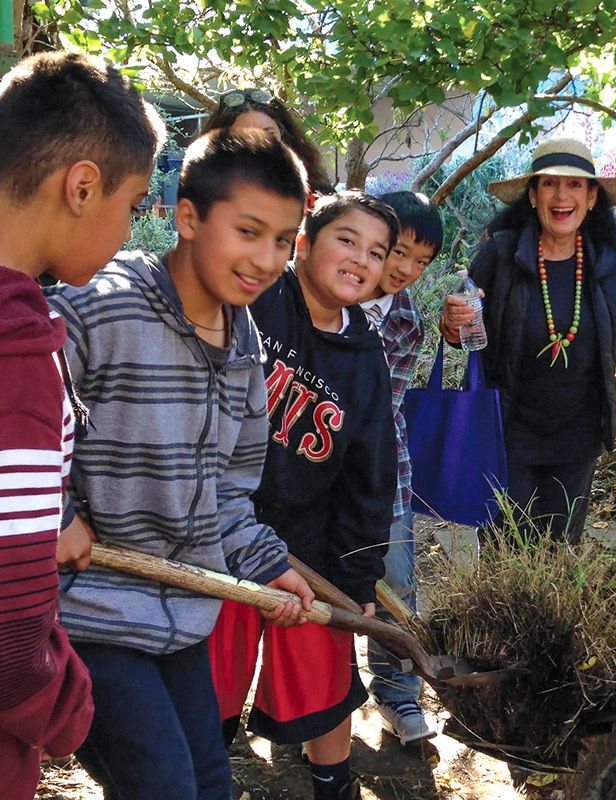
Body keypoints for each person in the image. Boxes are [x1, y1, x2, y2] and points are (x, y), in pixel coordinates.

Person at [46, 127, 315, 800]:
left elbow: (226, 489)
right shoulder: (96, 307)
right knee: (162, 788)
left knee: (209, 783)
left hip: (181, 616)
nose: (266, 258)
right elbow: (16, 416)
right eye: (248, 231)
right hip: (92, 613)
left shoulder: (245, 343)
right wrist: (57, 512)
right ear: (187, 217)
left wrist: (267, 565)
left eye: (283, 240)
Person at [0, 51, 162, 800]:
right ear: (82, 186)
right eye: (133, 205)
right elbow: (10, 629)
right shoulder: (16, 352)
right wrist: (66, 710)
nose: (133, 228)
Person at [441, 137, 616, 543]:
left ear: (592, 197)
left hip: (577, 433)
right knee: (507, 548)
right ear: (532, 195)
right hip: (507, 429)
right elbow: (465, 333)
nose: (562, 196)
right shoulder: (501, 254)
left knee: (559, 548)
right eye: (550, 184)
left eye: (575, 185)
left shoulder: (602, 262)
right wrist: (452, 323)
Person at [209, 191, 399, 800]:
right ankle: (194, 771)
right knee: (207, 675)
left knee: (324, 680)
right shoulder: (259, 302)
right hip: (219, 536)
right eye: (347, 240)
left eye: (376, 252)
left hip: (309, 550)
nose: (360, 259)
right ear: (303, 243)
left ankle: (332, 784)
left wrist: (361, 576)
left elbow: (370, 474)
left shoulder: (367, 354)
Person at [360, 190, 442, 745]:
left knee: (395, 580)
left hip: (385, 469)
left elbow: (389, 403)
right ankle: (301, 701)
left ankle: (397, 692)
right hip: (315, 468)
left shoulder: (408, 318)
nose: (407, 270)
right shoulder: (323, 293)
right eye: (399, 253)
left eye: (421, 261)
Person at [201, 88, 333, 193]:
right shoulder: (207, 201)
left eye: (269, 134)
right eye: (244, 138)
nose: (260, 144)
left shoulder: (318, 197)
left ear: (284, 137)